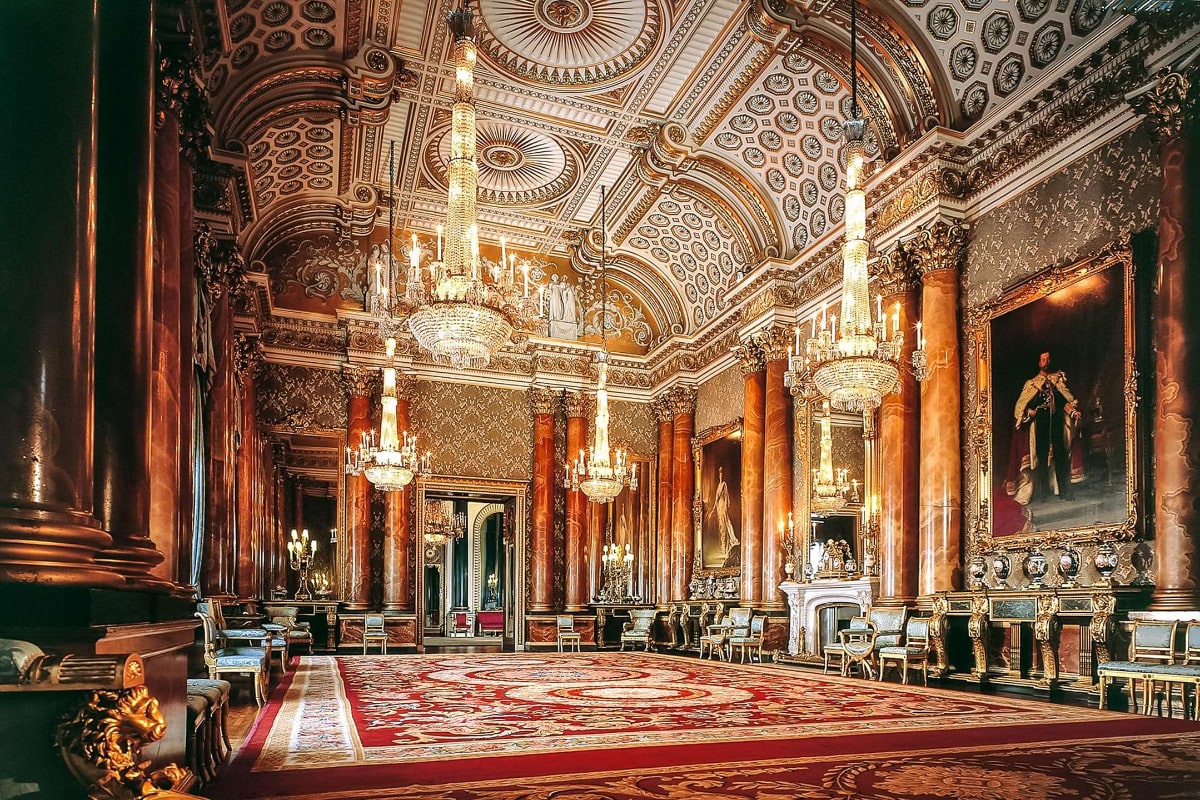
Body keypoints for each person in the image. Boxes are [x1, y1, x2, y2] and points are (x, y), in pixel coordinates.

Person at [1008, 351, 1083, 503]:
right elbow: (1023, 404)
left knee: (1060, 455)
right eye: (1043, 359)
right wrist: (1029, 411)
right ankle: (1043, 493)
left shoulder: (1057, 381)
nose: (1046, 362)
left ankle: (1065, 492)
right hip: (1040, 421)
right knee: (1041, 457)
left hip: (1056, 421)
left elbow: (1063, 402)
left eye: (1048, 359)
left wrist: (1073, 412)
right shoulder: (1032, 383)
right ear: (1039, 363)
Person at [710, 466, 739, 566]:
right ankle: (722, 545)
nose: (721, 475)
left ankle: (724, 545)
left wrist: (726, 506)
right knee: (720, 526)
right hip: (719, 506)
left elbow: (726, 496)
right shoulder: (718, 485)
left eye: (722, 474)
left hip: (723, 505)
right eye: (719, 474)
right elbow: (716, 497)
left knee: (724, 525)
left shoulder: (724, 484)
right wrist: (714, 506)